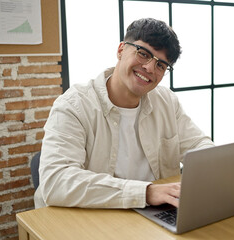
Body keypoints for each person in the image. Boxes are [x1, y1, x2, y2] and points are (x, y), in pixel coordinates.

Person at [34, 18, 214, 209]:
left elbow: (197, 145)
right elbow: (56, 182)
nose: (150, 68)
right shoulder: (74, 105)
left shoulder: (166, 101)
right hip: (90, 217)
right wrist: (146, 192)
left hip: (151, 213)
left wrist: (220, 166)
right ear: (121, 50)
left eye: (161, 65)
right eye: (143, 54)